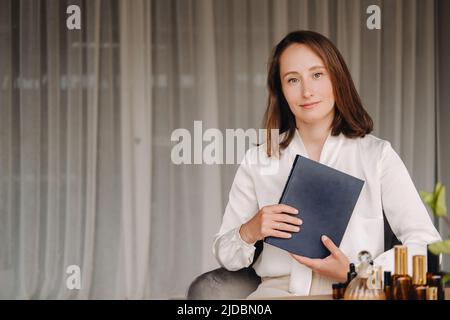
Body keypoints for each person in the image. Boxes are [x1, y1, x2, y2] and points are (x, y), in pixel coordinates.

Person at [212, 30, 441, 298]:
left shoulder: (376, 155)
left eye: (317, 75)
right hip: (276, 292)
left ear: (336, 78)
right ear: (281, 90)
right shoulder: (258, 160)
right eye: (293, 79)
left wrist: (359, 272)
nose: (307, 91)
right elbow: (226, 255)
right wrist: (250, 230)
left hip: (357, 290)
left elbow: (427, 246)